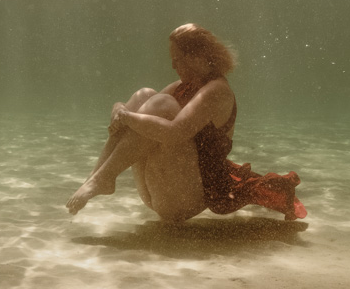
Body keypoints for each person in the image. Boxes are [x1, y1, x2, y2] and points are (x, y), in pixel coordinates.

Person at [66, 24, 307, 223]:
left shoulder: (217, 91)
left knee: (160, 105)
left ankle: (101, 179)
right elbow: (142, 114)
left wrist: (127, 117)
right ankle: (97, 177)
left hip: (186, 200)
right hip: (163, 194)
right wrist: (119, 107)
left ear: (198, 56)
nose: (173, 66)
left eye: (177, 59)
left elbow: (174, 133)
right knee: (144, 95)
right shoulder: (186, 86)